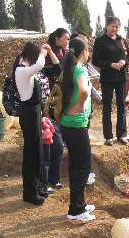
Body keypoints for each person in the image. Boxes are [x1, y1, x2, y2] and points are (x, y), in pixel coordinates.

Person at [59, 37, 95, 222]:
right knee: (83, 167)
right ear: (84, 52)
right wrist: (80, 106)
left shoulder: (68, 68)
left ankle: (79, 203)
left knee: (75, 166)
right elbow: (83, 90)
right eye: (88, 50)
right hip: (77, 124)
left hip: (66, 123)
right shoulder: (79, 69)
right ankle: (76, 210)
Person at [15, 42, 48, 205]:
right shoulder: (21, 70)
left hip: (34, 113)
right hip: (28, 114)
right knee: (31, 153)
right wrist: (42, 53)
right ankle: (29, 193)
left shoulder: (26, 68)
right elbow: (40, 64)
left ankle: (38, 187)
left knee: (37, 151)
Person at [92, 16, 129, 146]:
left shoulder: (121, 40)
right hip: (107, 78)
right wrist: (110, 64)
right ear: (107, 26)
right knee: (107, 107)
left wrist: (124, 62)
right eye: (112, 26)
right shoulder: (100, 41)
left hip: (121, 77)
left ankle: (121, 135)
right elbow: (95, 60)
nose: (114, 29)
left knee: (122, 106)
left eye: (117, 27)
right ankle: (108, 136)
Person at [41, 28, 70, 191]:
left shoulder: (64, 52)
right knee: (55, 143)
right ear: (57, 38)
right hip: (50, 103)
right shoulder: (47, 55)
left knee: (58, 143)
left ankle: (53, 178)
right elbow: (59, 71)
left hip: (63, 101)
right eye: (65, 38)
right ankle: (50, 179)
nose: (67, 41)